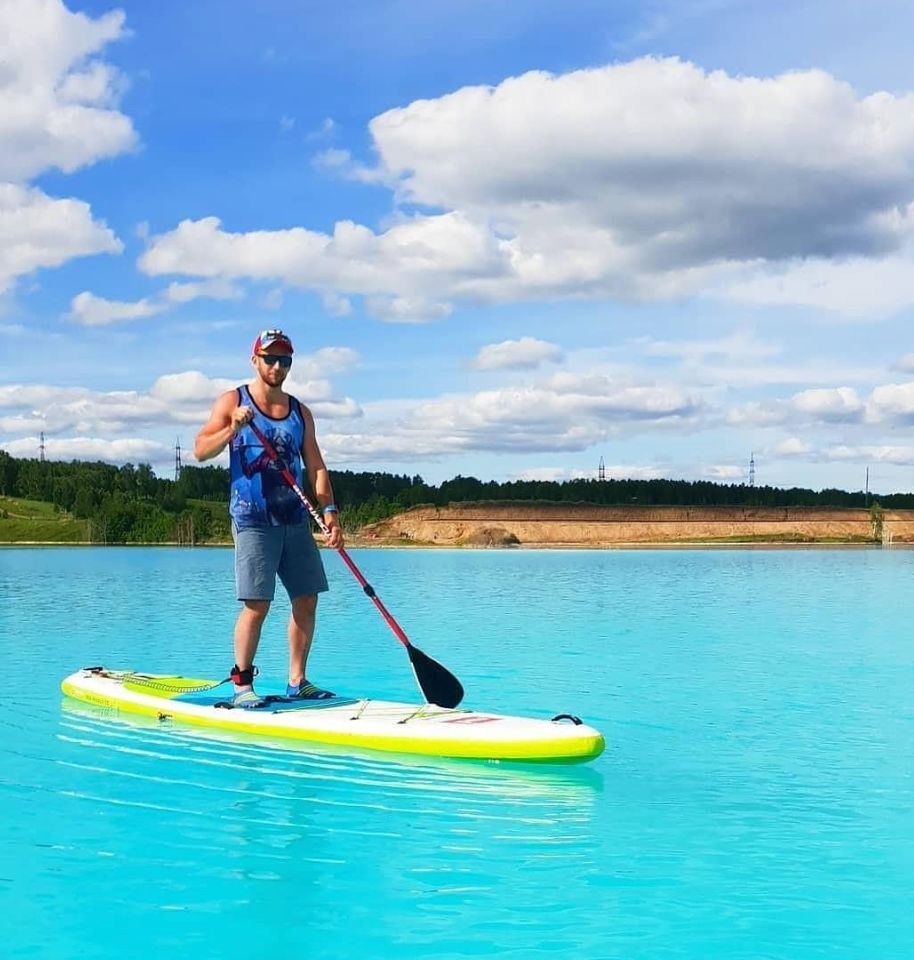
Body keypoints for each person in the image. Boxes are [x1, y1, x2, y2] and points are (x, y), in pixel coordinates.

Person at [194, 328, 343, 707]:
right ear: (255, 360)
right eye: (270, 358)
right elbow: (200, 451)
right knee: (257, 604)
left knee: (307, 598)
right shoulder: (233, 400)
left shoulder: (300, 412)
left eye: (284, 360)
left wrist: (329, 511)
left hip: (295, 519)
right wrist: (232, 429)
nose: (277, 366)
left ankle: (298, 681)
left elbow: (316, 465)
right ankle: (242, 686)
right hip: (253, 521)